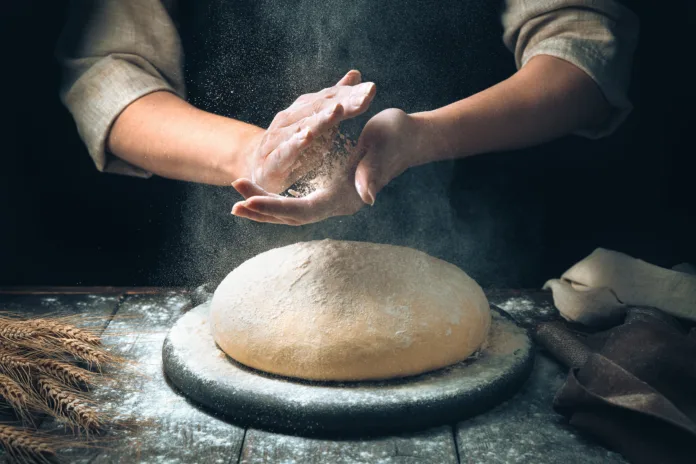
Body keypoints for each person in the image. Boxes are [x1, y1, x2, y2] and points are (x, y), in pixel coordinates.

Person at [57, 0, 639, 285]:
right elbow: (110, 74)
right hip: (233, 255)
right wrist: (256, 155)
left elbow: (582, 54)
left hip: (491, 251)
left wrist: (425, 135)